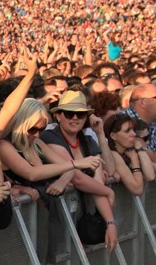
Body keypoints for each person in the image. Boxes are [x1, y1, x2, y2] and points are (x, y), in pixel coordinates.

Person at [42, 92, 119, 252]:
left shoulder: (88, 140)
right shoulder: (49, 137)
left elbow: (108, 171)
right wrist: (108, 192)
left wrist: (100, 133)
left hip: (78, 218)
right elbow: (78, 179)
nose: (75, 118)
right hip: (48, 218)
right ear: (58, 116)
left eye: (81, 114)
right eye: (70, 114)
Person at [0, 98, 102, 194]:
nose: (37, 134)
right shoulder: (3, 145)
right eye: (32, 129)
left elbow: (68, 167)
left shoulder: (36, 142)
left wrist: (62, 181)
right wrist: (76, 163)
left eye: (41, 129)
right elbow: (31, 174)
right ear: (21, 124)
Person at [103, 114, 156, 196]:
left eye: (133, 129)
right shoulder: (113, 155)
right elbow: (137, 189)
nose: (134, 134)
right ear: (113, 136)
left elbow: (150, 176)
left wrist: (139, 149)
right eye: (127, 131)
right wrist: (134, 160)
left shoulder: (129, 151)